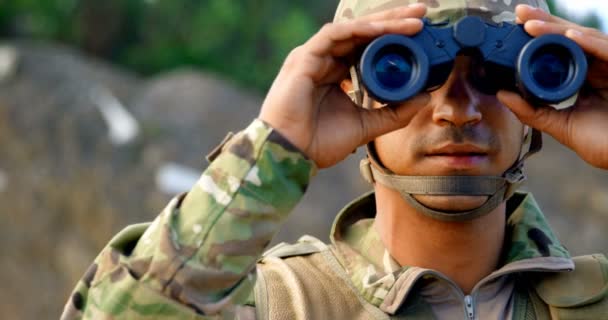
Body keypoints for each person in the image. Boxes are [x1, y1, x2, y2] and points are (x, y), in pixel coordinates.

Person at [61, 0, 608, 319]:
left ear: (542, 94)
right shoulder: (277, 303)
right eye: (405, 71)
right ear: (351, 89)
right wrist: (272, 153)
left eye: (496, 76)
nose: (456, 110)